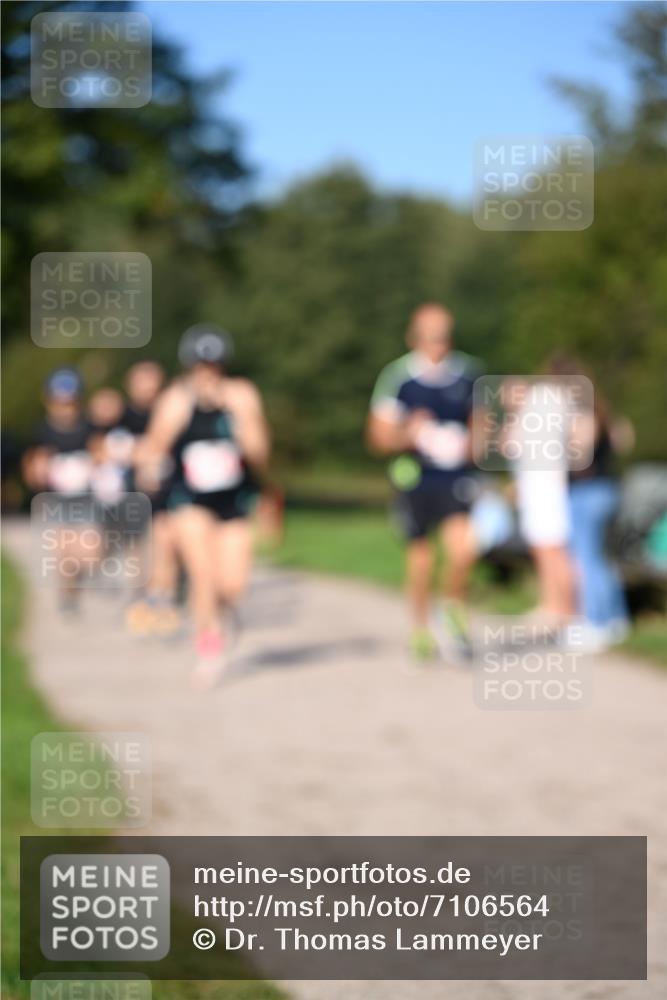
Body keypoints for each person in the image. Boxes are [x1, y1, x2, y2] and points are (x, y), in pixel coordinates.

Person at [142, 324, 270, 686]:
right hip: (190, 501)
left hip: (234, 499)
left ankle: (223, 614)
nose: (207, 372)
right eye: (200, 365)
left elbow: (261, 453)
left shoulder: (242, 395)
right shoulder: (175, 400)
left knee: (233, 584)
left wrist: (241, 422)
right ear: (189, 365)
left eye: (213, 365)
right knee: (203, 575)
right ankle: (209, 648)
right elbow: (154, 448)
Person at [366, 303, 481, 661]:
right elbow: (377, 438)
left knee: (463, 552)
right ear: (414, 337)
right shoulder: (398, 377)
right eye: (430, 336)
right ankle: (420, 630)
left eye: (443, 336)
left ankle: (452, 611)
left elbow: (483, 427)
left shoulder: (469, 374)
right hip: (414, 479)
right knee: (421, 562)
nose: (438, 343)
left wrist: (472, 445)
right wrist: (408, 433)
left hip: (456, 477)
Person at [549, 354, 632, 650]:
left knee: (586, 558)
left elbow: (580, 456)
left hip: (587, 492)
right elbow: (625, 439)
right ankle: (615, 618)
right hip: (606, 489)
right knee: (600, 557)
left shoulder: (582, 412)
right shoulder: (601, 408)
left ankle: (596, 623)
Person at [499, 374, 576, 629]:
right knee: (542, 550)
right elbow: (508, 446)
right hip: (535, 491)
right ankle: (551, 606)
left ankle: (567, 611)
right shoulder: (526, 415)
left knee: (554, 550)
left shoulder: (543, 404)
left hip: (547, 490)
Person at [22, 368, 100, 613]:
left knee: (90, 554)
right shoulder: (41, 430)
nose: (65, 408)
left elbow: (101, 453)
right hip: (57, 500)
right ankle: (67, 593)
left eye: (70, 403)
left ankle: (78, 578)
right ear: (49, 402)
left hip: (85, 498)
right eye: (59, 403)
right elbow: (31, 467)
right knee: (64, 551)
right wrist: (38, 470)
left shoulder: (88, 427)